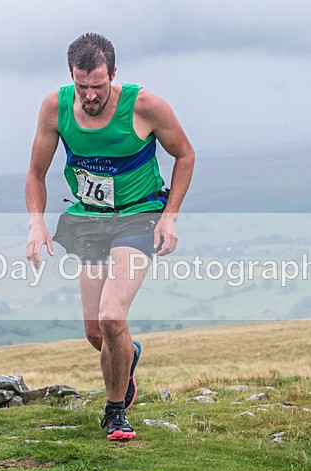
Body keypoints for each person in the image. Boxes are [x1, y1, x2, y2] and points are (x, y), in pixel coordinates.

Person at [25, 33, 195, 441]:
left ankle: (115, 411)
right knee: (96, 333)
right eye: (82, 86)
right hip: (90, 220)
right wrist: (36, 223)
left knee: (112, 316)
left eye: (98, 86)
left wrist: (170, 217)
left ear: (113, 74)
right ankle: (127, 354)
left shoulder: (145, 106)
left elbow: (185, 155)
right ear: (72, 77)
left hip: (139, 216)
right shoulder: (55, 107)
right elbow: (35, 173)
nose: (90, 96)